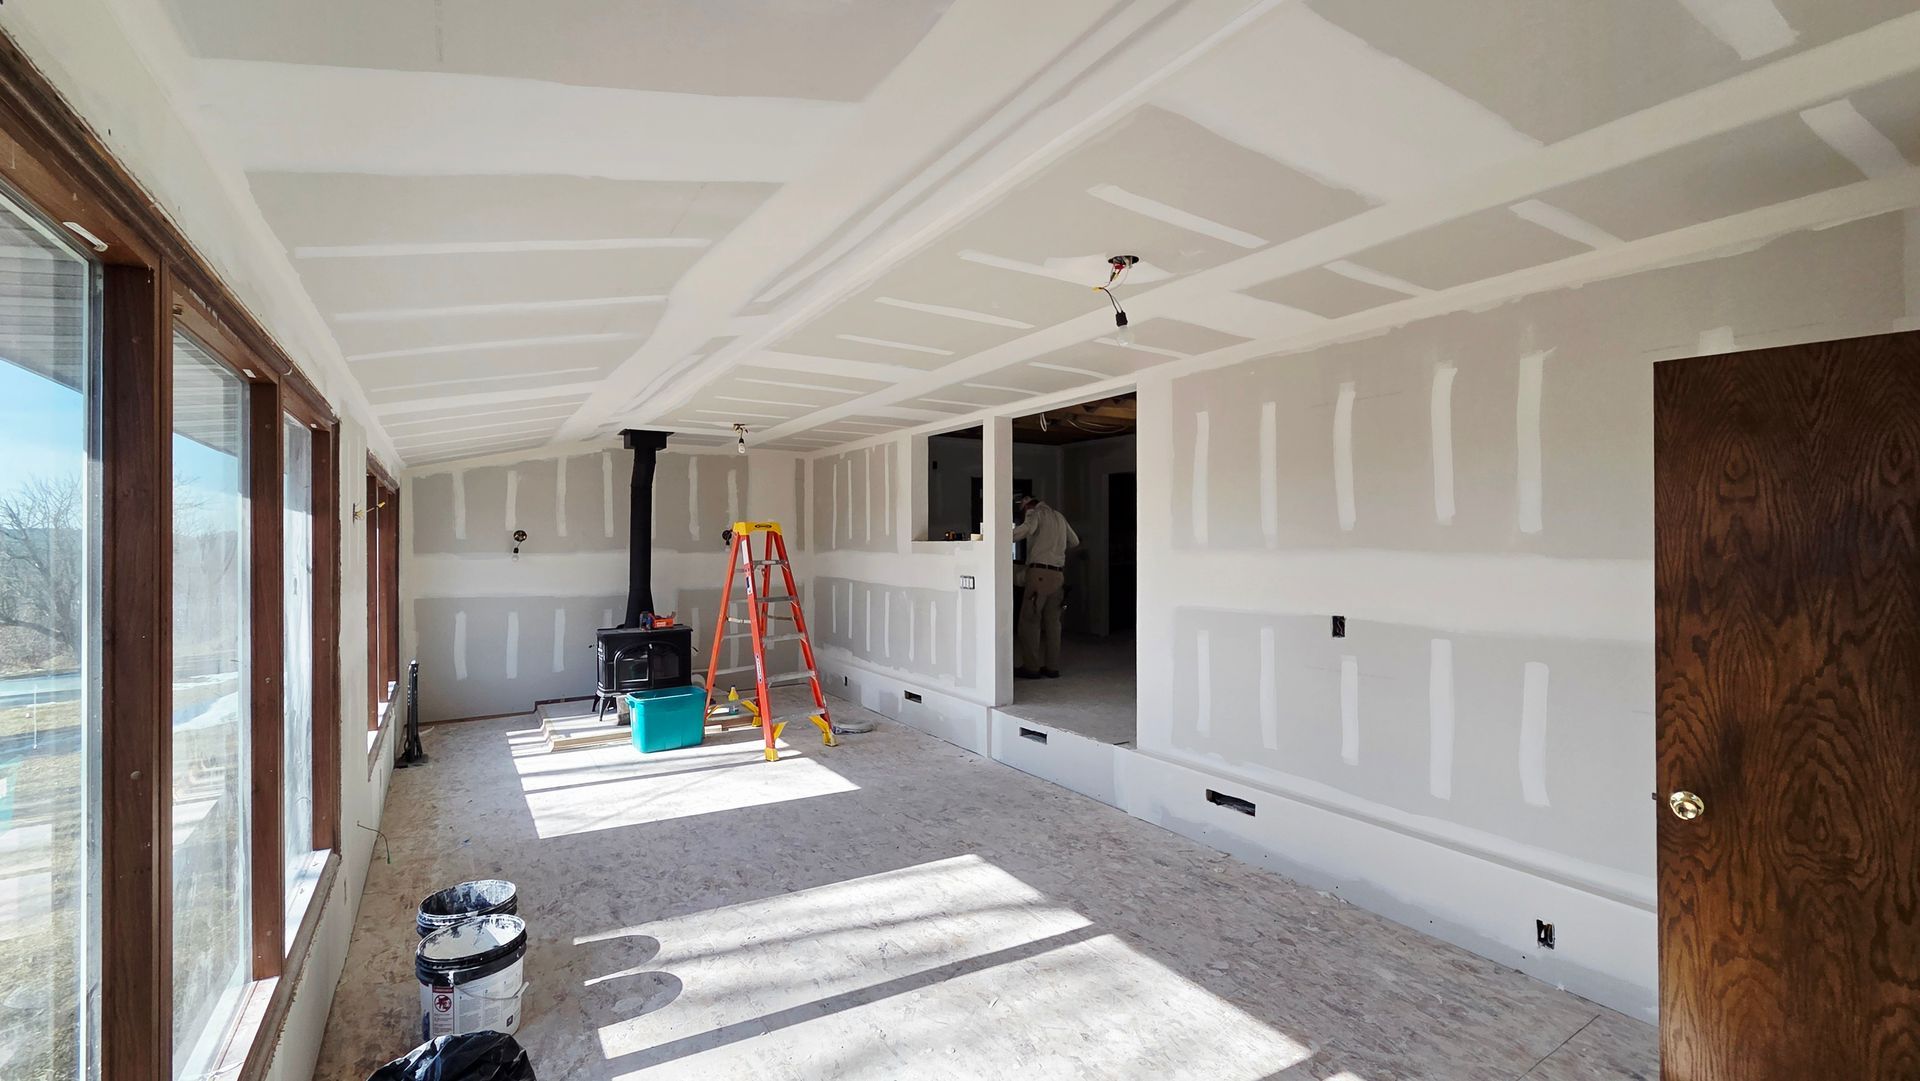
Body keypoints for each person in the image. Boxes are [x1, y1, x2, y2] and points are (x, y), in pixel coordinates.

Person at [1011, 493, 1079, 679]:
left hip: (1039, 574)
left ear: (1026, 503)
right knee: (1052, 623)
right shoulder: (1059, 516)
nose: (1023, 511)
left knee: (1029, 622)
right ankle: (1052, 667)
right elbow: (1075, 541)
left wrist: (998, 539)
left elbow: (1025, 530)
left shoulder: (1035, 513)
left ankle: (1031, 668)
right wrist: (1054, 547)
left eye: (1022, 508)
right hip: (1058, 575)